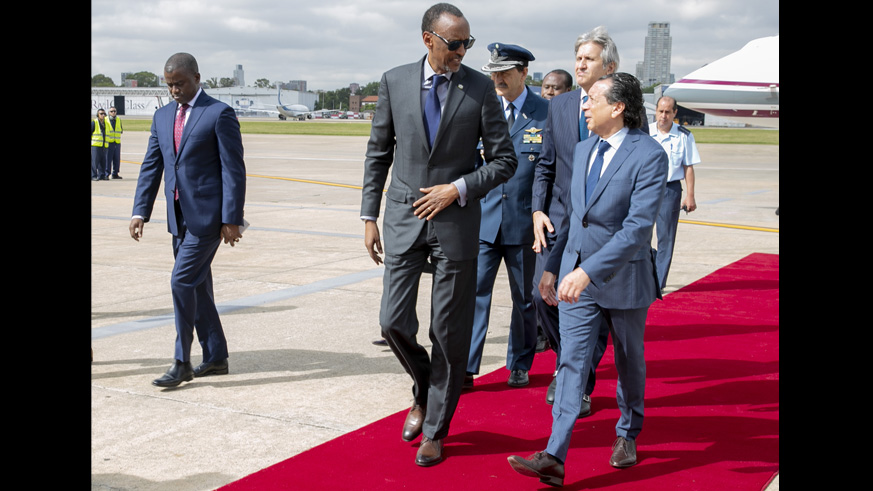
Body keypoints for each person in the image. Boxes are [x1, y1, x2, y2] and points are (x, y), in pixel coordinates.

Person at [361, 3, 517, 467]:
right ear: (428, 39)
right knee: (392, 322)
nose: (462, 51)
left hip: (456, 222)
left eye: (467, 42)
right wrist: (369, 215)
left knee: (447, 332)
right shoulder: (394, 81)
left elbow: (503, 160)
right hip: (403, 219)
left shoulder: (480, 90)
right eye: (455, 44)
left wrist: (459, 187)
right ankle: (426, 385)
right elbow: (377, 153)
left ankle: (435, 429)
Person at [508, 72, 667, 486]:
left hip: (625, 280)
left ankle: (628, 432)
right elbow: (572, 219)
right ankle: (555, 455)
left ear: (617, 108)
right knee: (570, 362)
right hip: (576, 278)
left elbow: (636, 230)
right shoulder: (581, 150)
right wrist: (554, 268)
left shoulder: (649, 155)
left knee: (629, 361)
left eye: (592, 99)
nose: (583, 105)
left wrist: (586, 271)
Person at [532, 26, 646, 416]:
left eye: (589, 58)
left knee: (591, 307)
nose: (580, 64)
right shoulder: (560, 106)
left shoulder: (628, 110)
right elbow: (546, 165)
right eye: (577, 57)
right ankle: (571, 366)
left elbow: (637, 165)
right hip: (561, 223)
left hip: (605, 231)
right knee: (542, 296)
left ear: (609, 66)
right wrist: (537, 210)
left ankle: (576, 379)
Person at [129, 52, 247, 388]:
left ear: (196, 77)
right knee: (197, 286)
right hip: (177, 217)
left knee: (181, 282)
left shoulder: (218, 113)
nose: (174, 90)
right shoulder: (162, 117)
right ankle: (216, 356)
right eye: (169, 85)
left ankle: (182, 362)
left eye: (180, 83)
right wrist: (140, 211)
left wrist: (232, 218)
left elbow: (233, 170)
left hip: (208, 219)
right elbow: (152, 166)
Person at [465, 43, 548, 389]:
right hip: (485, 221)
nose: (497, 78)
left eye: (505, 72)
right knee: (474, 296)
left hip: (524, 223)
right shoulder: (482, 108)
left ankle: (519, 362)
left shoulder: (544, 112)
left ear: (524, 72)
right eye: (493, 72)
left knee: (524, 299)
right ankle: (467, 367)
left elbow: (549, 168)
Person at [650, 95, 699, 290]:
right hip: (645, 188)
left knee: (666, 238)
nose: (663, 116)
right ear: (656, 111)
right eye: (660, 111)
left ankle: (658, 283)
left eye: (668, 112)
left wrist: (690, 195)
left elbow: (688, 167)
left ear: (674, 113)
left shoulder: (684, 136)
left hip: (669, 190)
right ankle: (648, 267)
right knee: (637, 234)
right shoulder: (645, 132)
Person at [106, 106, 124, 179]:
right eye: (111, 111)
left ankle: (115, 173)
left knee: (117, 159)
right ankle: (106, 173)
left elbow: (121, 130)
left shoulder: (118, 120)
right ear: (109, 113)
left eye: (114, 111)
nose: (113, 113)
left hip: (117, 142)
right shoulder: (105, 120)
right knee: (108, 159)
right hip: (109, 142)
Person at [91, 108, 108, 181]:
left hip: (104, 145)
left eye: (104, 114)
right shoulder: (94, 123)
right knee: (94, 162)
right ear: (98, 115)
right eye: (101, 114)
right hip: (96, 145)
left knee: (103, 161)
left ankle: (102, 175)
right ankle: (93, 175)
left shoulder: (106, 123)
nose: (103, 115)